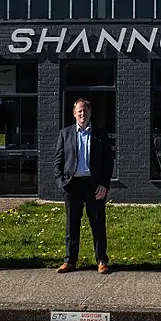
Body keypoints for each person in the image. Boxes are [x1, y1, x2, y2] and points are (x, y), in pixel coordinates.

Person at [54, 98, 115, 274]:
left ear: (90, 113)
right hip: (72, 185)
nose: (83, 113)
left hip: (94, 185)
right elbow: (58, 161)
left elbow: (108, 162)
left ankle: (102, 260)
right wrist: (62, 182)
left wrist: (104, 185)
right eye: (80, 111)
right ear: (74, 114)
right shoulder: (65, 134)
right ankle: (70, 261)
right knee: (72, 225)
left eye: (85, 110)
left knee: (97, 224)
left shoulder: (100, 134)